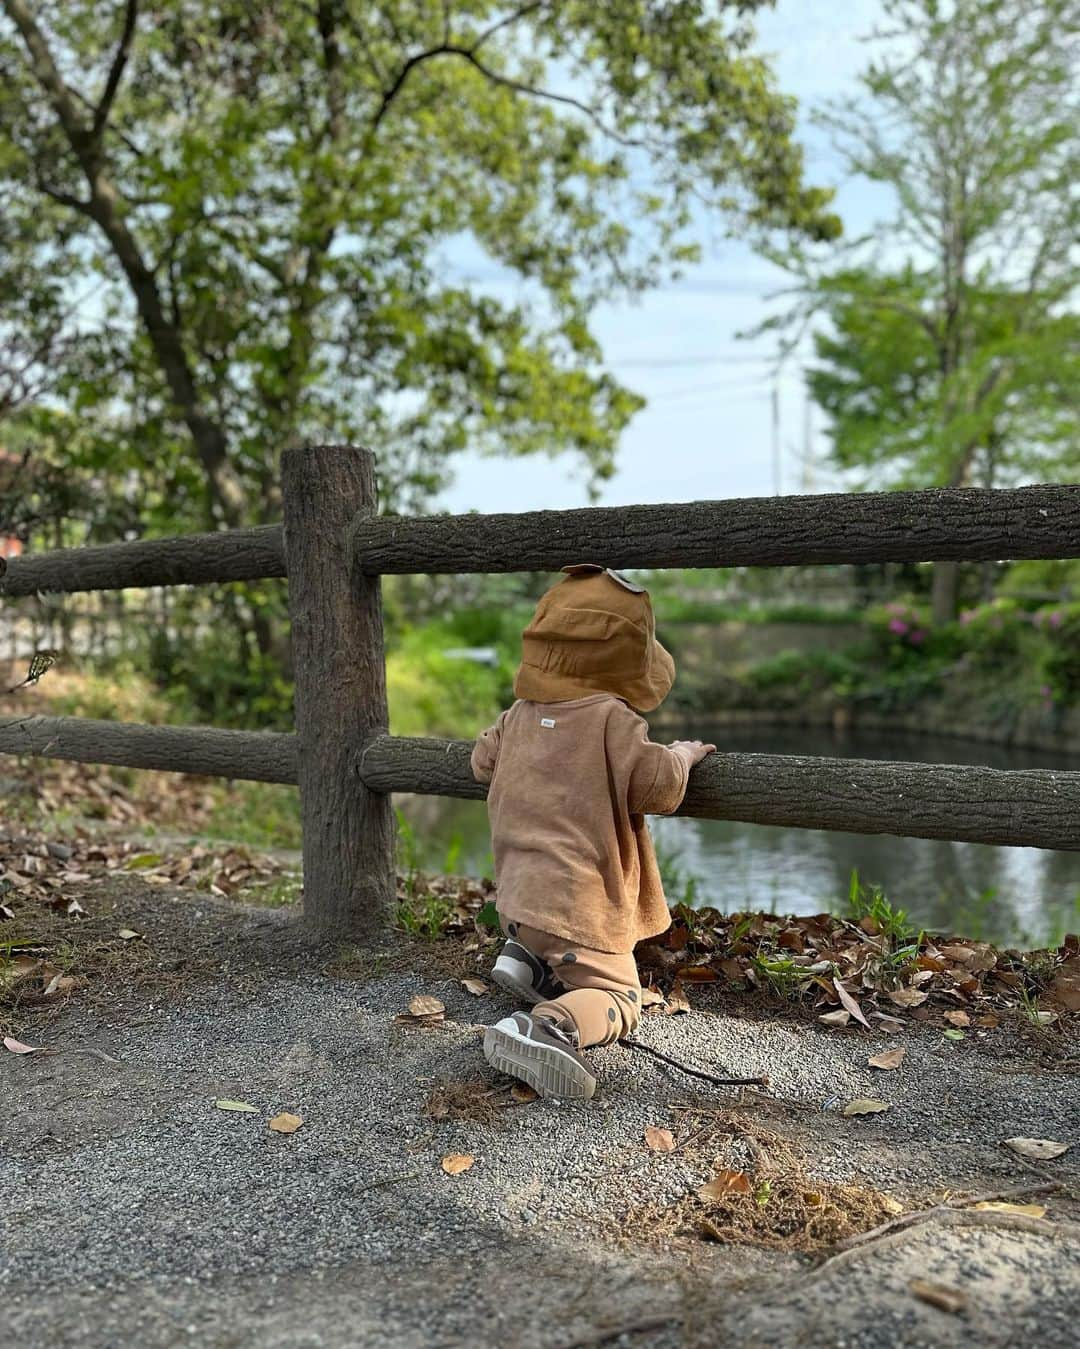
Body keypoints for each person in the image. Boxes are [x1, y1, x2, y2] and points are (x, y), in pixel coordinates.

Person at [470, 563, 714, 1100]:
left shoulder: (519, 715)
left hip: (517, 900)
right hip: (576, 911)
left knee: (547, 937)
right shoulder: (612, 721)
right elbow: (659, 787)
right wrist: (683, 755)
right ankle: (548, 1026)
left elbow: (481, 760)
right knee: (622, 997)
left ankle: (527, 961)